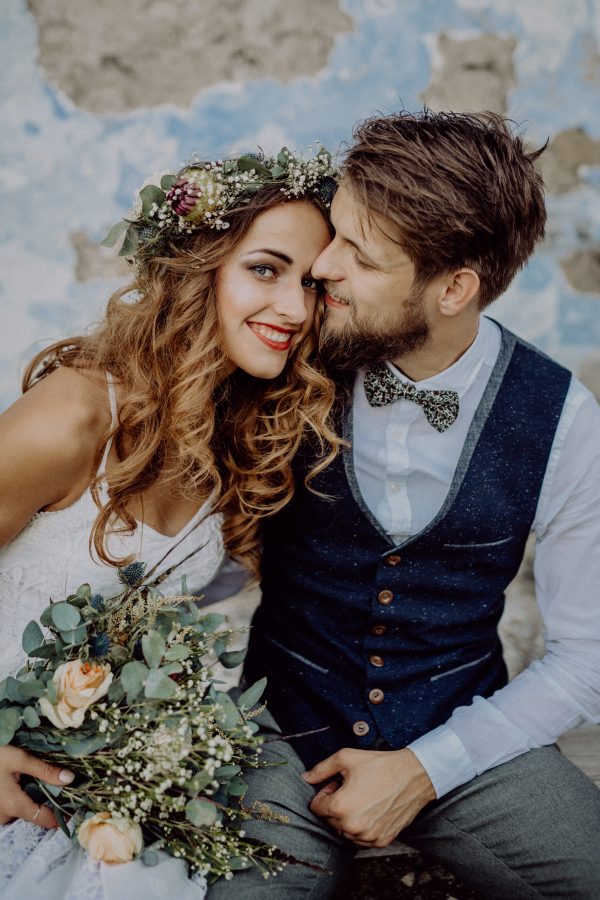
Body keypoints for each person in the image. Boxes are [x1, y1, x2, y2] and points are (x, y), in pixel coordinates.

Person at [209, 112, 600, 900]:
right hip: (280, 727)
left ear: (454, 288)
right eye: (335, 234)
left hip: (464, 733)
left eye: (359, 253)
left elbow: (588, 659)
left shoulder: (566, 418)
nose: (321, 267)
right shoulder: (284, 351)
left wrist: (427, 769)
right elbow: (193, 554)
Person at [0, 147, 342, 899]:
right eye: (265, 269)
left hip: (98, 795)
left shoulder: (232, 442)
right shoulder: (73, 418)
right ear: (198, 270)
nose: (294, 308)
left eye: (314, 286)